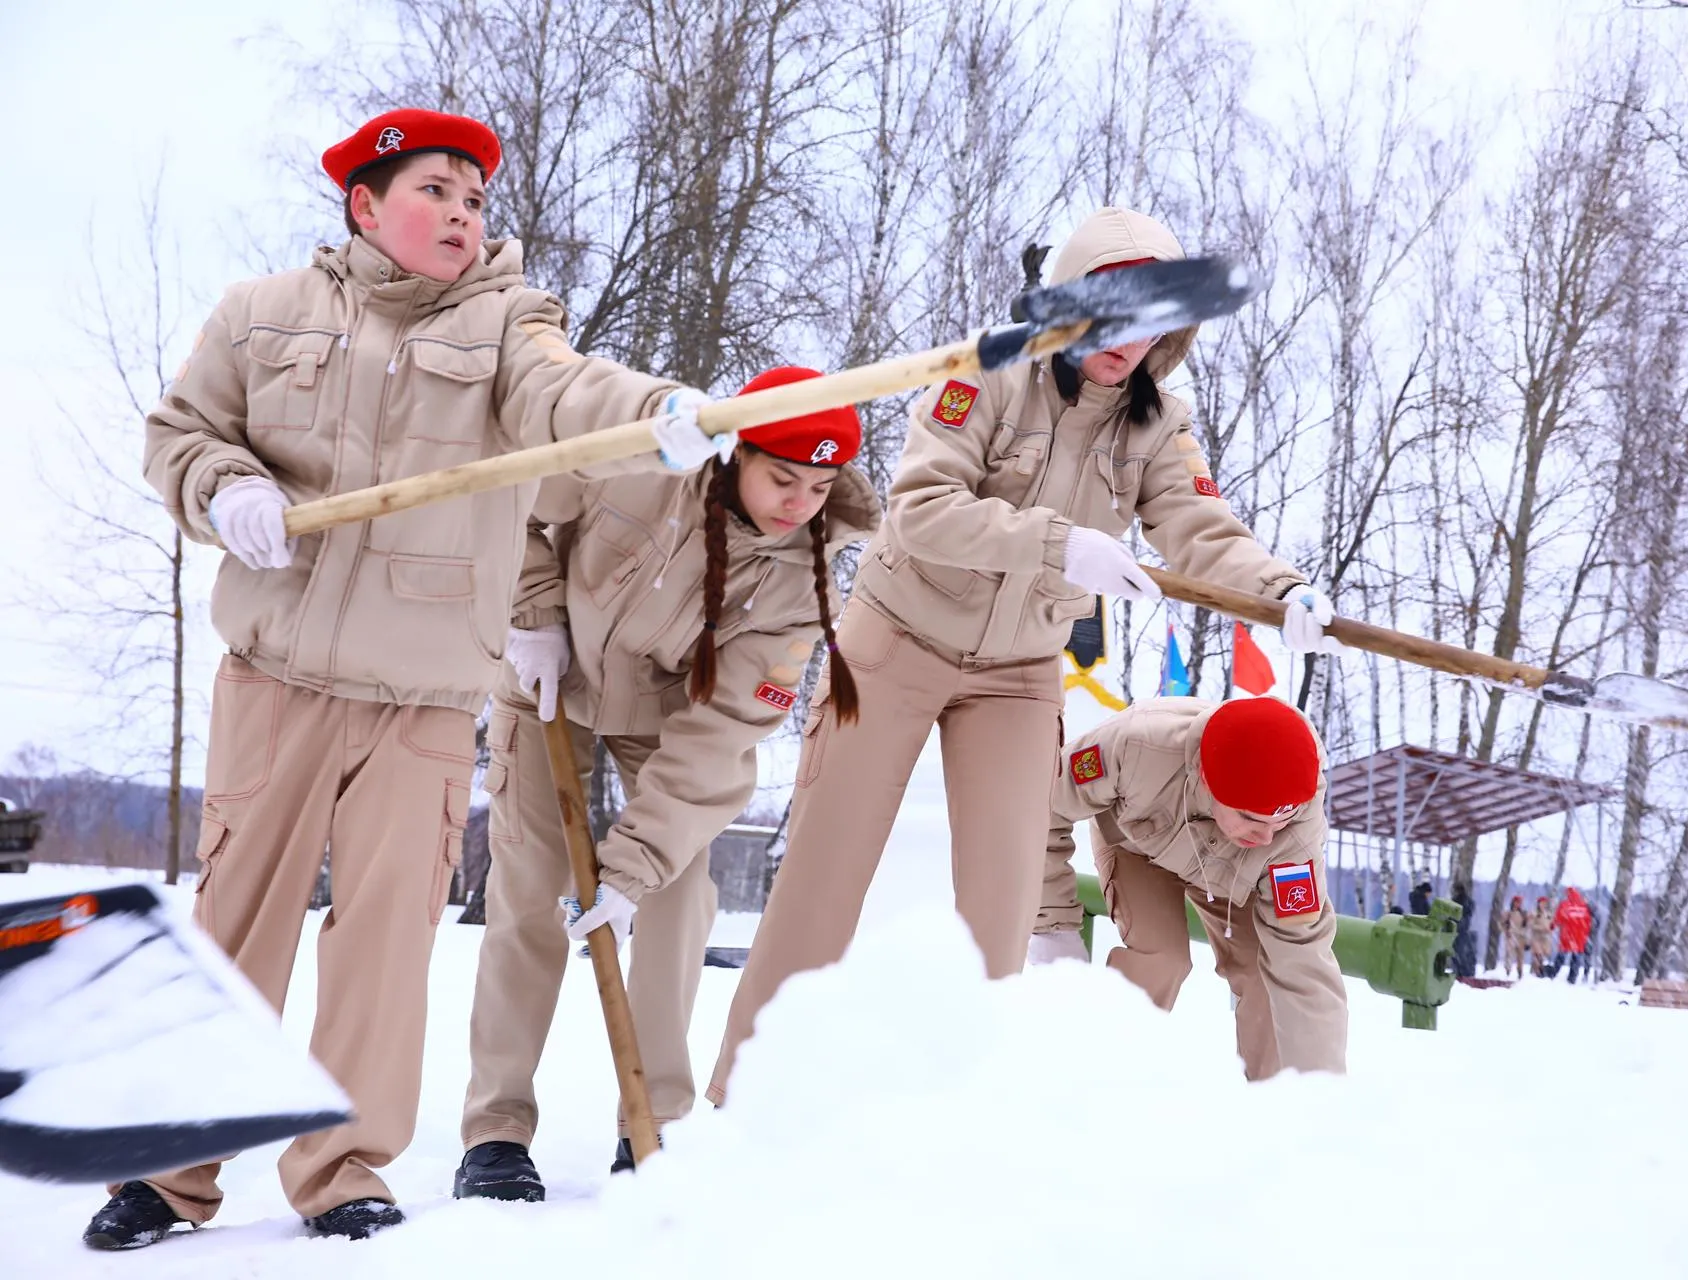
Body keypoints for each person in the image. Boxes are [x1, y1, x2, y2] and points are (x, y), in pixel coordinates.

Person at [87, 108, 704, 1250]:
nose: (464, 217)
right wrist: (225, 489)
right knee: (236, 923)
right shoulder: (261, 313)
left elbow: (569, 399)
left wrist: (653, 418)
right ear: (366, 204)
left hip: (421, 696)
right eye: (437, 193)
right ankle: (169, 1172)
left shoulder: (511, 325)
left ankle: (343, 1166)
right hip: (276, 674)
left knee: (385, 936)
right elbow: (180, 432)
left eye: (476, 202)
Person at [705, 207, 1342, 1105]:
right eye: (1115, 312)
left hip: (1016, 672)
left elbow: (1199, 529)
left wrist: (1283, 593)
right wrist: (1060, 546)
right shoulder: (988, 370)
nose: (1131, 342)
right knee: (822, 882)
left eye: (1155, 319)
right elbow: (919, 507)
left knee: (1001, 919)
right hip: (898, 639)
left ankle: (965, 1126)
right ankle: (741, 1102)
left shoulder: (1161, 422)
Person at [452, 368, 879, 1201]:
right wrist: (533, 617)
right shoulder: (650, 461)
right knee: (532, 894)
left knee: (679, 898)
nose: (800, 502)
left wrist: (632, 870)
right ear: (737, 454)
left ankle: (653, 1127)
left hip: (668, 720)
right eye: (783, 478)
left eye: (820, 487)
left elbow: (719, 738)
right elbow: (521, 509)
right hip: (550, 680)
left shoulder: (803, 579)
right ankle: (497, 1129)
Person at [1026, 697, 1347, 1078]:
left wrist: (1321, 1092)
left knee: (1266, 977)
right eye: (1249, 816)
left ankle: (1277, 1103)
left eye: (1279, 820)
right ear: (1207, 780)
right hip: (1138, 848)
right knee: (1160, 959)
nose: (1265, 836)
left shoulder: (1294, 836)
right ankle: (1099, 1075)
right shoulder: (1136, 747)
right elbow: (1037, 808)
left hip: (1231, 877)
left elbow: (1305, 964)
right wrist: (1053, 926)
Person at [1553, 887, 1594, 984]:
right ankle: (1572, 978)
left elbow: (1558, 919)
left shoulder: (1565, 905)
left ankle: (1553, 973)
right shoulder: (1584, 906)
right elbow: (1589, 922)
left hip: (1567, 936)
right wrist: (1585, 933)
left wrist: (1553, 925)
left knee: (1561, 957)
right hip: (1580, 938)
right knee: (1576, 959)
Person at [1502, 895, 1529, 980]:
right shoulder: (1508, 913)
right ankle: (1507, 971)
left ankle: (1520, 973)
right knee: (1509, 954)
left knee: (1520, 957)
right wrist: (1506, 931)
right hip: (1511, 935)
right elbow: (1503, 924)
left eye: (1518, 903)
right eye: (1515, 902)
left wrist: (1526, 939)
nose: (1517, 904)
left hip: (1520, 937)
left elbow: (1527, 926)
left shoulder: (1523, 914)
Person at [1528, 895, 1554, 977]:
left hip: (1545, 938)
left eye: (1544, 903)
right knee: (1537, 954)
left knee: (1542, 956)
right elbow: (1531, 925)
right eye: (1542, 903)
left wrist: (1550, 928)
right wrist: (1541, 928)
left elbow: (1551, 924)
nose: (1543, 904)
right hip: (1536, 937)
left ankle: (1535, 971)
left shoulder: (1548, 914)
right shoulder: (1534, 913)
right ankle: (1538, 972)